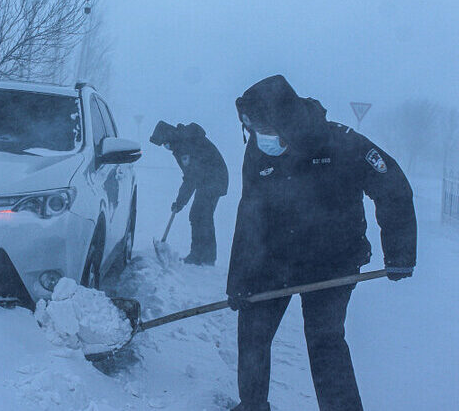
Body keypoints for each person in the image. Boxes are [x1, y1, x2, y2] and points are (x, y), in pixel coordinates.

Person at [227, 75, 417, 411]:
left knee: (325, 341)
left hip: (333, 262)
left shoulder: (341, 143)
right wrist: (239, 280)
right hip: (275, 260)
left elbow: (392, 185)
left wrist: (399, 251)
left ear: (286, 122)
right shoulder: (258, 152)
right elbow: (249, 215)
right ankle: (252, 406)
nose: (262, 140)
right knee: (253, 333)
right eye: (256, 132)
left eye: (267, 132)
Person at [150, 121, 229, 265]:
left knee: (200, 215)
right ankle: (205, 256)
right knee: (201, 215)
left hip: (213, 180)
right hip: (211, 179)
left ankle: (201, 256)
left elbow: (191, 178)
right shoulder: (183, 140)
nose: (165, 147)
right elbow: (192, 176)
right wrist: (180, 202)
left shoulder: (183, 145)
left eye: (165, 143)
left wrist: (180, 202)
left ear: (169, 137)